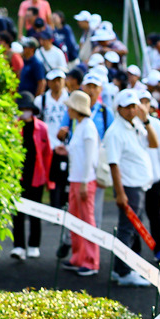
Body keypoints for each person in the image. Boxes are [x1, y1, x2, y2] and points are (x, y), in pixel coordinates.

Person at [104, 90, 158, 287]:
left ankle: (124, 269)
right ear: (119, 108)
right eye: (127, 107)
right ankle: (123, 271)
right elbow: (114, 164)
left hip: (139, 185)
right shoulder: (115, 132)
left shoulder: (134, 125)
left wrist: (146, 120)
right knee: (127, 230)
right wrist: (120, 193)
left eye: (134, 106)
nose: (131, 110)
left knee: (132, 230)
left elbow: (154, 143)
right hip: (129, 187)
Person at [10, 92, 52, 261]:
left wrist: (49, 179)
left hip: (37, 175)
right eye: (22, 109)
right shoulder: (14, 127)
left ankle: (34, 245)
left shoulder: (42, 128)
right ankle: (19, 246)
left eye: (27, 109)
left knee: (36, 212)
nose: (25, 112)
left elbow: (47, 153)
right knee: (18, 213)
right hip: (18, 177)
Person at [63, 90, 100, 276]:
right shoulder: (80, 126)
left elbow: (89, 158)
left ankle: (91, 261)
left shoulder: (87, 128)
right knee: (76, 220)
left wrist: (85, 182)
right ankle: (78, 257)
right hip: (76, 179)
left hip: (84, 181)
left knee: (87, 220)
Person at [137, 92, 160, 265]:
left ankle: (158, 249)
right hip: (136, 181)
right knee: (135, 217)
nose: (143, 106)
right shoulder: (130, 125)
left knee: (156, 217)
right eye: (140, 102)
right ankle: (134, 251)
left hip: (155, 179)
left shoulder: (157, 125)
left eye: (146, 102)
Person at [36, 69, 70, 211]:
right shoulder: (41, 100)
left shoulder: (70, 99)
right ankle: (54, 208)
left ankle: (64, 207)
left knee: (65, 180)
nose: (57, 84)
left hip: (66, 146)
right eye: (53, 81)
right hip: (48, 146)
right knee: (51, 180)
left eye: (59, 80)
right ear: (48, 83)